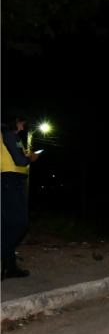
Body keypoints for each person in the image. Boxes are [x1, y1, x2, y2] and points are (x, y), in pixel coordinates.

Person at [1, 109, 39, 280]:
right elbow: (20, 161)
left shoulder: (6, 135)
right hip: (10, 181)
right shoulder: (9, 134)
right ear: (14, 122)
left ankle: (10, 268)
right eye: (21, 124)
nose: (23, 128)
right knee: (19, 224)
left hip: (8, 180)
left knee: (7, 226)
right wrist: (31, 158)